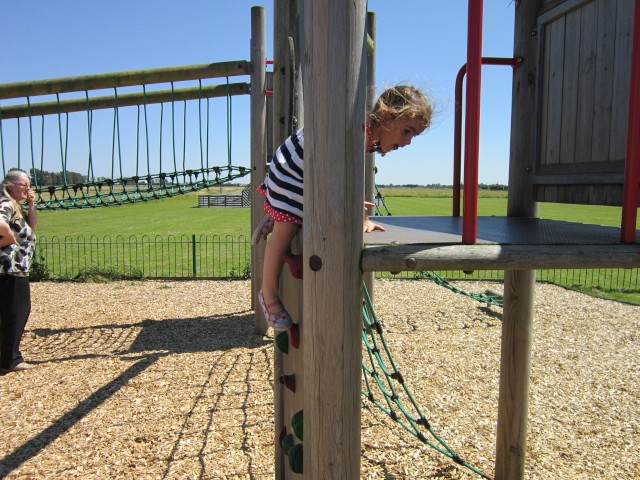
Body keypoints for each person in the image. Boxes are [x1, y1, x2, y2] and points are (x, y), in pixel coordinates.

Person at [253, 84, 433, 330]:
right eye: (406, 131)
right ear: (386, 117)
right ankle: (268, 294)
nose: (408, 141)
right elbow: (342, 181)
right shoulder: (358, 134)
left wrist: (356, 207)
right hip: (292, 173)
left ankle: (278, 210)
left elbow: (341, 179)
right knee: (284, 232)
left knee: (297, 214)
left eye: (413, 135)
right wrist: (360, 216)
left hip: (308, 171)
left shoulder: (363, 133)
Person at [0, 169, 38, 373]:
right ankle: (10, 360)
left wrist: (31, 205)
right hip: (11, 268)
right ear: (9, 185)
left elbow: (32, 227)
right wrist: (9, 239)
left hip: (15, 268)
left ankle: (8, 357)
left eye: (29, 185)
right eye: (23, 185)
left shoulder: (15, 206)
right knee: (16, 312)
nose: (27, 188)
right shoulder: (6, 203)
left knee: (12, 311)